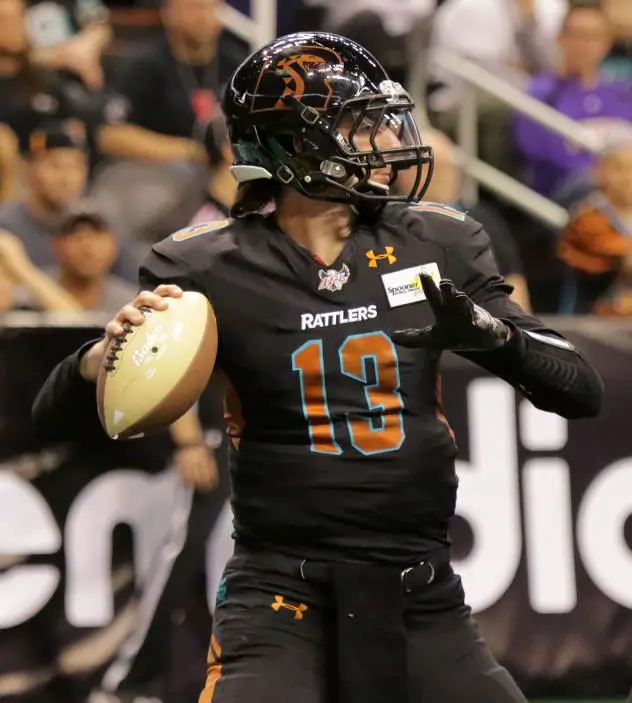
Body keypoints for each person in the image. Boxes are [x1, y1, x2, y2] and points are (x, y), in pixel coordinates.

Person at [33, 32, 604, 703]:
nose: (388, 144)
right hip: (280, 596)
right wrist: (101, 359)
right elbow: (54, 419)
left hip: (421, 593)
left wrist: (488, 333)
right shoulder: (208, 266)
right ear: (295, 148)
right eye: (362, 127)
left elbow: (580, 390)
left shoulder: (438, 241)